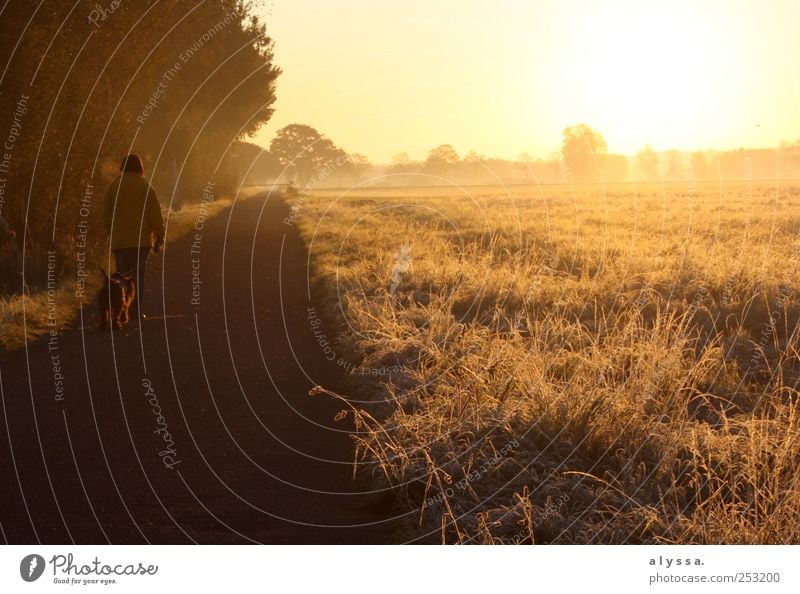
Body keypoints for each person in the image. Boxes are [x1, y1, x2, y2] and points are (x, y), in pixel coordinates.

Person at [103, 154, 164, 320]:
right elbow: (154, 214)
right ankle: (135, 312)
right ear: (140, 168)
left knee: (121, 278)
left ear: (123, 167)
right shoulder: (145, 187)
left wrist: (110, 231)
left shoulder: (114, 186)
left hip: (119, 242)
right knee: (138, 277)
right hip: (140, 242)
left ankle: (121, 311)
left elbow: (105, 213)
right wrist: (160, 234)